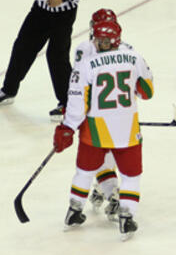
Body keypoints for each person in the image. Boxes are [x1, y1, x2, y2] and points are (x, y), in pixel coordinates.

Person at [52, 14, 153, 241]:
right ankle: (127, 217)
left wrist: (67, 127)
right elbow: (147, 92)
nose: (97, 43)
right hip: (127, 130)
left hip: (95, 131)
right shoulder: (134, 57)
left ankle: (74, 211)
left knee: (85, 171)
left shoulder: (87, 64)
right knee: (131, 175)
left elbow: (78, 103)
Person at [75, 9, 132, 220]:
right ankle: (105, 189)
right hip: (125, 114)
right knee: (112, 153)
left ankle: (111, 192)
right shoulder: (129, 50)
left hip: (95, 114)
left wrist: (73, 113)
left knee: (97, 154)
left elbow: (78, 84)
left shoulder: (84, 49)